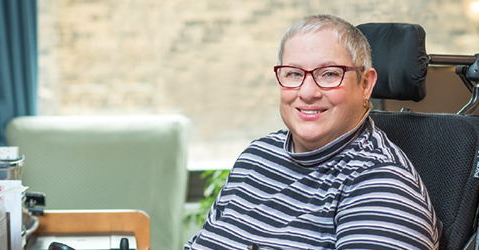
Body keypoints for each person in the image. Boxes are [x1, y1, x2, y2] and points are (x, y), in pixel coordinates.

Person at [186, 14, 440, 250]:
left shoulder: (383, 187)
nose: (307, 92)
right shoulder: (256, 157)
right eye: (294, 74)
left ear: (365, 84)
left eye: (329, 74)